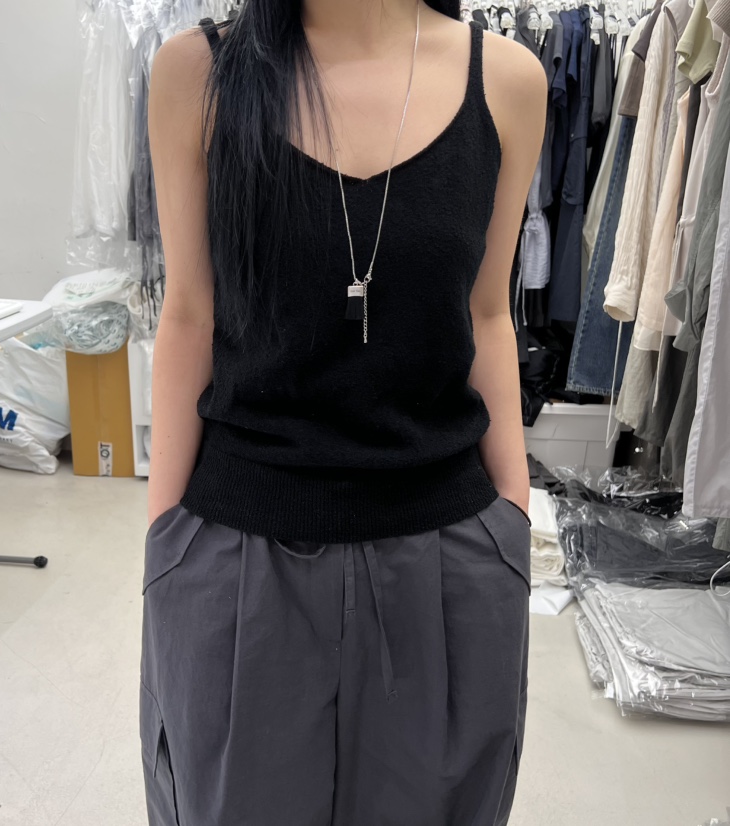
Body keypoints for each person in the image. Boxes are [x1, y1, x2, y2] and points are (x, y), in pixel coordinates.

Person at [141, 1, 546, 823]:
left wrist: (512, 521)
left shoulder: (507, 81)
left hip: (447, 557)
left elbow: (487, 312)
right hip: (240, 554)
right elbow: (187, 313)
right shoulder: (198, 72)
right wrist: (167, 544)